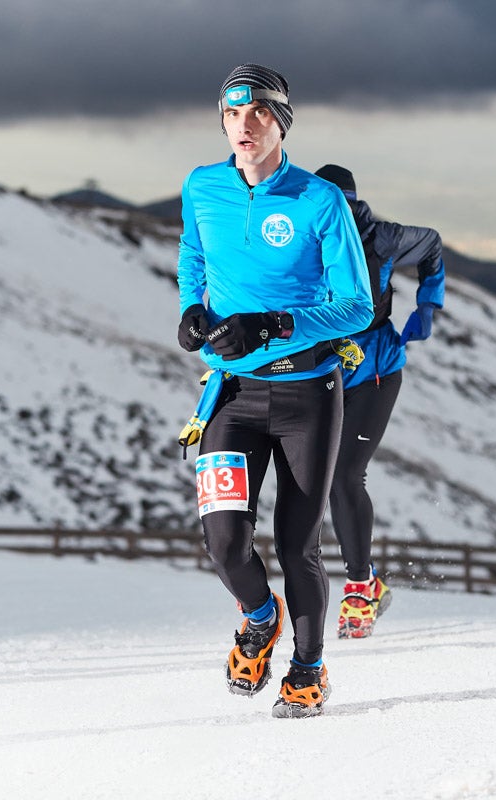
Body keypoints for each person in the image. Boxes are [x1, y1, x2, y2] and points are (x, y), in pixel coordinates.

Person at [176, 64, 373, 717]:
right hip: (232, 395)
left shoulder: (319, 202)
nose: (244, 126)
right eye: (232, 114)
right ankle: (261, 616)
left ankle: (309, 668)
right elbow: (193, 255)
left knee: (296, 545)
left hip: (308, 397)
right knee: (224, 540)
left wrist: (278, 323)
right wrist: (191, 309)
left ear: (280, 121)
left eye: (257, 112)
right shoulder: (202, 188)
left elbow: (357, 307)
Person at [313, 164, 446, 639]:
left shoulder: (382, 238)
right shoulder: (302, 240)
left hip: (374, 372)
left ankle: (357, 586)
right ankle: (362, 580)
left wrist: (429, 302)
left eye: (345, 209)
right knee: (310, 482)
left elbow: (430, 243)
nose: (339, 220)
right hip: (320, 374)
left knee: (345, 477)